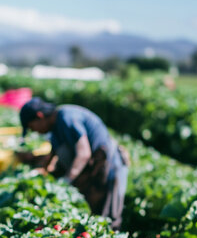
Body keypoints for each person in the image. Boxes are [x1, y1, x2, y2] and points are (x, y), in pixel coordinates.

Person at [19, 97, 130, 229]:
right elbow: (52, 154)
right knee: (95, 215)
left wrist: (67, 180)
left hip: (110, 165)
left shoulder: (67, 117)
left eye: (32, 127)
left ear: (40, 116)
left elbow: (84, 153)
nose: (35, 131)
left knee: (110, 216)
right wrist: (40, 170)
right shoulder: (54, 129)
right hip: (96, 169)